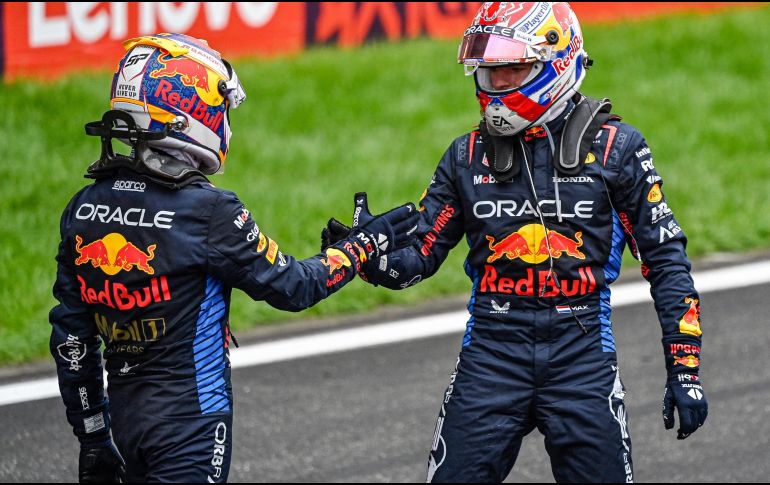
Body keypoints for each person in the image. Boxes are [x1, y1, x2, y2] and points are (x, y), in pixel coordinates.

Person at [324, 2, 707, 482]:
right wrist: (367, 255)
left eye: (512, 69)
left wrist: (684, 367)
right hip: (491, 353)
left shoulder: (618, 149)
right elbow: (417, 259)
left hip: (582, 355)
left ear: (557, 61)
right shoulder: (466, 155)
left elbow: (666, 261)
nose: (498, 85)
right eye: (490, 72)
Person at [49, 33, 418, 483]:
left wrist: (92, 435)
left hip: (123, 429)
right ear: (190, 109)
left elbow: (72, 340)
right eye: (220, 108)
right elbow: (295, 287)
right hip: (191, 428)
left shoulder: (83, 207)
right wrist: (362, 246)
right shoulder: (210, 211)